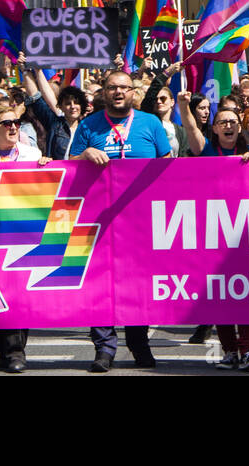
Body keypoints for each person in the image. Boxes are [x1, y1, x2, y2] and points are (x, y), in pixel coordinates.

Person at [70, 69, 172, 372]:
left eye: (124, 88)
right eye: (112, 88)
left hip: (140, 222)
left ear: (133, 92)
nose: (118, 93)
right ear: (103, 91)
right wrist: (86, 153)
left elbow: (167, 167)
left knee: (137, 285)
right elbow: (69, 167)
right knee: (98, 285)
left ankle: (139, 343)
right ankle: (104, 348)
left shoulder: (150, 123)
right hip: (97, 221)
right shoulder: (89, 125)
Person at [183, 103, 249, 371]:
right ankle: (229, 350)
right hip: (213, 230)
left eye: (233, 121)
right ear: (215, 128)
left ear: (238, 126)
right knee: (221, 294)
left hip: (245, 230)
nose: (228, 125)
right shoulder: (206, 149)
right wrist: (184, 105)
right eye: (223, 122)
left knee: (248, 292)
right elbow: (191, 128)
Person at [0, 104, 46, 373]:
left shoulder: (31, 154)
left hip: (25, 233)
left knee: (19, 296)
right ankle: (8, 350)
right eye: (5, 123)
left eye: (15, 122)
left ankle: (16, 352)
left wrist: (47, 166)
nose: (13, 126)